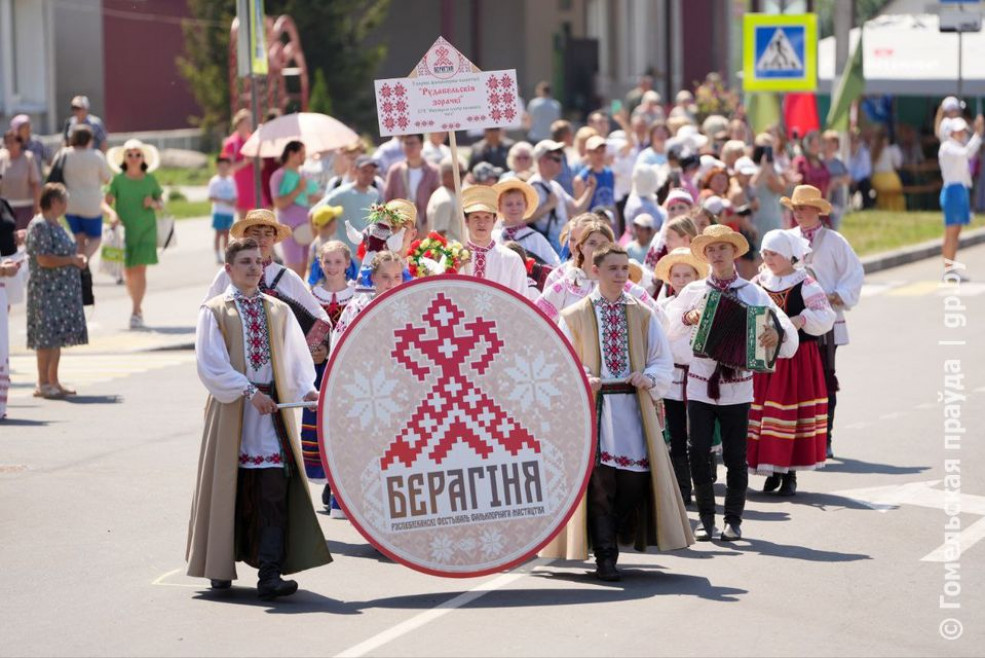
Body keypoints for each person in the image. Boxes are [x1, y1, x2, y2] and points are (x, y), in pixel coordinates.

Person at [188, 237, 331, 598]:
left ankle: (269, 572)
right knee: (229, 488)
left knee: (272, 490)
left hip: (271, 415)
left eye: (258, 261)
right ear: (228, 269)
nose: (254, 267)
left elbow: (295, 359)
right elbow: (211, 364)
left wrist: (306, 392)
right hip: (233, 410)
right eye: (245, 262)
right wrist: (249, 392)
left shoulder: (277, 310)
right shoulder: (215, 310)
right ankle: (219, 566)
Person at [541, 243, 691, 581]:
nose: (621, 276)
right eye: (613, 269)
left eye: (625, 269)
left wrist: (649, 377)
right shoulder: (576, 315)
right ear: (596, 271)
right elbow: (561, 362)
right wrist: (584, 376)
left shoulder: (641, 313)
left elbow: (660, 358)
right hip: (596, 408)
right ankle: (605, 555)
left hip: (632, 409)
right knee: (599, 482)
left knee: (634, 481)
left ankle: (610, 534)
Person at [666, 225, 798, 541]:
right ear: (705, 255)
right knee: (697, 450)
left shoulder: (752, 293)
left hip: (738, 386)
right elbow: (668, 334)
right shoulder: (694, 292)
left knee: (736, 455)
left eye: (722, 248)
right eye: (711, 249)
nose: (717, 254)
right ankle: (708, 519)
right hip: (699, 383)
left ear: (734, 252)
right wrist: (688, 320)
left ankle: (733, 519)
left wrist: (772, 336)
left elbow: (787, 339)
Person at [749, 230, 836, 496]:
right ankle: (772, 469)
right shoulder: (758, 282)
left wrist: (799, 321)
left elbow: (826, 316)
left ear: (788, 255)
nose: (767, 258)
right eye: (764, 253)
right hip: (765, 358)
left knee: (790, 412)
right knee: (766, 413)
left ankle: (789, 474)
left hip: (795, 359)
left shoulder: (805, 283)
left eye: (773, 253)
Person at [782, 185, 864, 458]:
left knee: (824, 379)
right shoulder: (787, 239)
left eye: (803, 208)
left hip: (825, 321)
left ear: (818, 210)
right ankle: (793, 436)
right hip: (793, 321)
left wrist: (837, 295)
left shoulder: (834, 240)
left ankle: (823, 436)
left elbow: (854, 271)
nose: (798, 213)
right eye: (795, 208)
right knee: (793, 380)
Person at [205, 209, 331, 347]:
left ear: (275, 239)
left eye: (268, 234)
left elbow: (319, 315)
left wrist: (319, 348)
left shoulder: (288, 277)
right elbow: (207, 314)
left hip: (281, 358)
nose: (262, 239)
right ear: (245, 236)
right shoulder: (228, 273)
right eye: (256, 233)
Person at [301, 240, 356, 516]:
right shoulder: (312, 295)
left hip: (348, 368)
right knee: (322, 426)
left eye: (338, 262)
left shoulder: (357, 293)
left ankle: (341, 486)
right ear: (319, 264)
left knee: (347, 427)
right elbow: (303, 329)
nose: (333, 267)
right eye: (327, 262)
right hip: (321, 370)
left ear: (348, 263)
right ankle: (328, 480)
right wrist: (315, 350)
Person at [25, 183, 89, 399]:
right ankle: (43, 382)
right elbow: (43, 259)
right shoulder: (41, 225)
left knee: (56, 337)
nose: (66, 205)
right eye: (64, 200)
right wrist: (70, 260)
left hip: (59, 293)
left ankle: (54, 381)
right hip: (46, 291)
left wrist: (75, 259)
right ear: (53, 202)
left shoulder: (56, 223)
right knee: (45, 338)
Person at [655, 248, 708, 503]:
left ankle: (704, 480)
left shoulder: (705, 305)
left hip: (698, 374)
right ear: (670, 278)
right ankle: (683, 488)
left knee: (700, 433)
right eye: (677, 275)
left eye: (688, 274)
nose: (682, 279)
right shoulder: (662, 306)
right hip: (674, 377)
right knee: (676, 433)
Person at [535, 220, 662, 323]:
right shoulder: (565, 286)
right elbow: (537, 321)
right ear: (581, 247)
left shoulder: (628, 288)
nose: (598, 248)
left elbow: (660, 320)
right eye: (592, 243)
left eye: (604, 244)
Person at [105, 139, 164, 330]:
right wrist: (112, 213)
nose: (133, 158)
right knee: (129, 273)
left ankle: (136, 310)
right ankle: (136, 308)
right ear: (124, 157)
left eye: (137, 154)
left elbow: (161, 203)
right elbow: (104, 202)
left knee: (140, 270)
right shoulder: (118, 180)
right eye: (129, 154)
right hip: (125, 232)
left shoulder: (150, 179)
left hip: (146, 230)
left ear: (143, 157)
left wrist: (153, 204)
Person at [939, 115, 985, 281]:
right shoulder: (947, 148)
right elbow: (968, 153)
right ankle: (948, 270)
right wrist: (978, 134)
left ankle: (951, 268)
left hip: (960, 190)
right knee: (951, 232)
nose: (961, 133)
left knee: (956, 232)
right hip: (953, 191)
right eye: (957, 131)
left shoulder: (955, 146)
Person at [527, 140, 594, 253]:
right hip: (544, 250)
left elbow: (576, 209)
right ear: (543, 161)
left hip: (558, 247)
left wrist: (590, 188)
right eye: (557, 159)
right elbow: (524, 218)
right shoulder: (534, 185)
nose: (561, 163)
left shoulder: (554, 185)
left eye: (561, 158)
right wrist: (549, 205)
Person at [458, 186, 528, 295]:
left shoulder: (511, 259)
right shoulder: (453, 257)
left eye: (487, 217)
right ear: (466, 220)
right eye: (476, 217)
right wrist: (454, 268)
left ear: (495, 220)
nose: (482, 223)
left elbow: (521, 302)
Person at [330, 250, 406, 343]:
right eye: (385, 276)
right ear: (373, 277)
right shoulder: (355, 308)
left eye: (397, 277)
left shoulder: (408, 309)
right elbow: (338, 345)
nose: (391, 282)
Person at [62, 125, 114, 261]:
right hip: (92, 206)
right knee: (95, 238)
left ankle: (79, 266)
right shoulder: (96, 156)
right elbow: (108, 179)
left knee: (79, 239)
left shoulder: (64, 154)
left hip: (69, 204)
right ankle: (82, 262)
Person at [314, 155, 383, 256]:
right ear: (355, 170)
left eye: (371, 172)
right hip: (343, 256)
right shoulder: (341, 193)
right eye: (364, 171)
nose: (368, 175)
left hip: (367, 255)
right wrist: (321, 240)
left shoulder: (375, 194)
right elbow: (316, 213)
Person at [271, 141, 318, 277]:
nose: (304, 156)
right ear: (292, 154)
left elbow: (308, 198)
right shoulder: (278, 175)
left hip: (307, 227)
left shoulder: (302, 175)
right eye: (302, 153)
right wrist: (298, 189)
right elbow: (279, 203)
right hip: (290, 230)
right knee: (294, 273)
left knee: (306, 269)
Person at [493, 179, 559, 266]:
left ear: (526, 205)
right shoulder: (493, 237)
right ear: (499, 207)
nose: (514, 208)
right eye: (509, 204)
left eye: (519, 203)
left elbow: (555, 266)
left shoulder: (536, 238)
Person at [383, 134, 440, 233]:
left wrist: (427, 226)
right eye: (406, 143)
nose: (409, 147)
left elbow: (437, 202)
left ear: (421, 145)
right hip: (400, 230)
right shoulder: (395, 171)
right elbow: (388, 201)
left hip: (426, 229)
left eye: (413, 143)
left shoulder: (433, 171)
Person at [0, 130, 41, 230]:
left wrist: (37, 205)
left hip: (25, 206)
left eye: (13, 141)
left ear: (19, 142)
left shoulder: (28, 158)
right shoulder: (1, 157)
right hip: (5, 207)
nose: (11, 145)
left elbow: (35, 183)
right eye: (8, 142)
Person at [221, 109, 257, 219]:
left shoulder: (252, 139)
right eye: (248, 122)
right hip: (240, 184)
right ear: (240, 123)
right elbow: (228, 168)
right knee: (243, 219)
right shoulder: (232, 142)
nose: (250, 125)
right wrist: (246, 162)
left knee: (257, 216)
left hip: (253, 183)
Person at [573, 136, 616, 223]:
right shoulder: (580, 179)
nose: (600, 155)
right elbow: (580, 212)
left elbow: (612, 204)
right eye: (596, 152)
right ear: (588, 153)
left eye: (602, 151)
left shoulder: (610, 174)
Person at [427, 156, 466, 244]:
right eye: (461, 173)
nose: (463, 177)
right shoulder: (445, 200)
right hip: (450, 255)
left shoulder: (445, 194)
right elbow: (439, 235)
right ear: (447, 175)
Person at [208, 156, 238, 264]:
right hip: (219, 212)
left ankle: (226, 255)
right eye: (221, 167)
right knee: (218, 233)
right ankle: (217, 255)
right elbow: (211, 197)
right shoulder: (214, 181)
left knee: (227, 235)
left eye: (226, 167)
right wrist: (224, 201)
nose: (224, 169)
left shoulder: (231, 180)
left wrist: (233, 201)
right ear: (217, 167)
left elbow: (235, 196)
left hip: (229, 212)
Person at [869, 127, 905, 212]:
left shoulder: (872, 150)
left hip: (876, 177)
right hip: (888, 177)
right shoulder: (891, 150)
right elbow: (898, 165)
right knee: (895, 188)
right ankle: (895, 209)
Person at [822, 131, 852, 230]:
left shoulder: (839, 162)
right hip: (825, 199)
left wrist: (837, 181)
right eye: (828, 142)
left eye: (834, 143)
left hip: (838, 201)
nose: (831, 145)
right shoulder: (820, 162)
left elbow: (848, 178)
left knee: (835, 227)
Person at [847, 130, 874, 210]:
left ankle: (866, 206)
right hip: (848, 180)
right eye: (851, 141)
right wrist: (851, 179)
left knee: (865, 183)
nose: (853, 144)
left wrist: (856, 180)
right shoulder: (845, 153)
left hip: (860, 180)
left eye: (856, 141)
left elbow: (866, 170)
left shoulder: (864, 152)